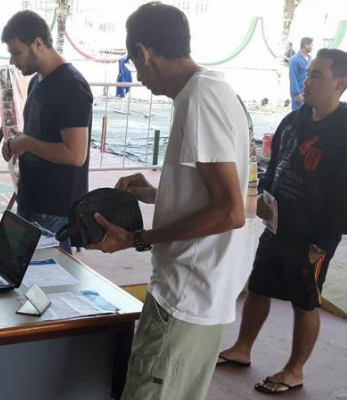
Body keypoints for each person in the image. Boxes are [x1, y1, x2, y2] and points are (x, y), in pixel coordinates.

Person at [87, 3, 251, 399]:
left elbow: (230, 212)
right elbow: (213, 194)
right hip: (198, 292)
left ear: (144, 52)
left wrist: (138, 238)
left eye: (135, 63)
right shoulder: (211, 89)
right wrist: (159, 193)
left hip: (184, 296)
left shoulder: (199, 97)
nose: (139, 76)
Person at [219, 49, 347, 395]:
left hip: (312, 238)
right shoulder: (294, 120)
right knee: (259, 285)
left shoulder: (343, 132)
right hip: (278, 225)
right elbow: (273, 163)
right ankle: (242, 348)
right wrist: (264, 193)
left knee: (305, 300)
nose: (306, 81)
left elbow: (343, 199)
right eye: (308, 75)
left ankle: (294, 370)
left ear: (340, 84)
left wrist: (321, 244)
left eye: (316, 76)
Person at [0, 10, 93, 253]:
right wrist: (16, 142)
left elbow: (75, 154)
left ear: (38, 43)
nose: (13, 61)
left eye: (16, 52)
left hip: (56, 211)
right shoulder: (37, 81)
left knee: (51, 286)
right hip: (32, 201)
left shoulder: (70, 86)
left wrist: (27, 143)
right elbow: (39, 136)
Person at [290, 37, 313, 110]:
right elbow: (292, 77)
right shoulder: (294, 59)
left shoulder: (310, 59)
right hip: (299, 92)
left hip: (308, 92)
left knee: (307, 114)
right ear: (306, 45)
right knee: (297, 115)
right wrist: (297, 94)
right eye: (311, 45)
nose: (312, 47)